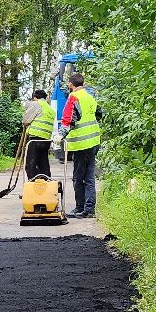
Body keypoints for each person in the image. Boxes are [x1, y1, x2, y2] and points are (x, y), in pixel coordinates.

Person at [57, 72, 101, 218]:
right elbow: (99, 114)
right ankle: (89, 209)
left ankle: (80, 207)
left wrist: (59, 136)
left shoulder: (73, 97)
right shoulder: (90, 97)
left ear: (71, 84)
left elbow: (69, 119)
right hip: (94, 141)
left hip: (81, 144)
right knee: (89, 176)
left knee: (78, 177)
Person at [20, 88, 54, 180]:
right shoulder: (50, 109)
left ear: (35, 97)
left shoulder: (36, 104)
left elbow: (25, 120)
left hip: (35, 139)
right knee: (43, 165)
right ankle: (46, 185)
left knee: (30, 165)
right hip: (46, 140)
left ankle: (34, 187)